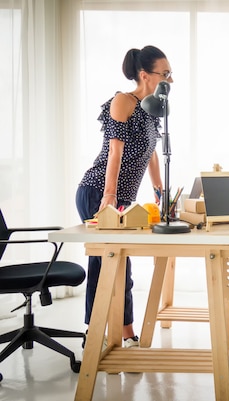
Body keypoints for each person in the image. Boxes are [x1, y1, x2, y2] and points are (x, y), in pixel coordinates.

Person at [76, 45, 172, 347]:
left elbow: (152, 154)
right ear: (144, 75)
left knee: (119, 262)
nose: (170, 79)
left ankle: (120, 332)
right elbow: (115, 151)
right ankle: (101, 334)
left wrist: (161, 194)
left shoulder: (152, 107)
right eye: (165, 74)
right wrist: (108, 194)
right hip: (98, 192)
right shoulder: (123, 101)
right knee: (107, 263)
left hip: (122, 198)